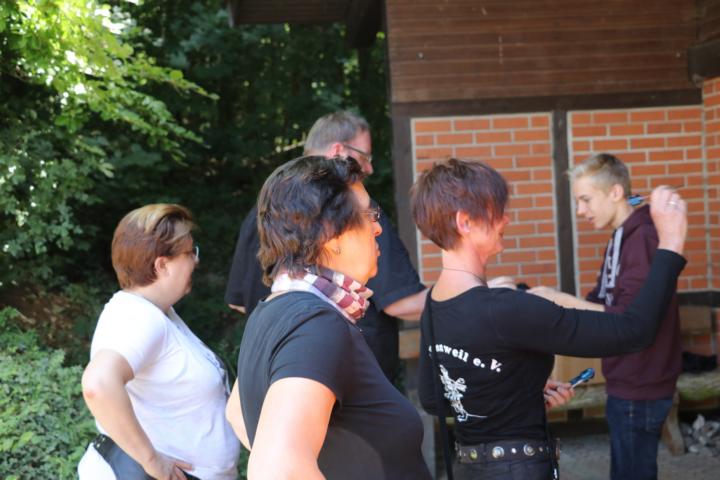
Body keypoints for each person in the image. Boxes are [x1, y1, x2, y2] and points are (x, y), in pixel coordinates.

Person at [410, 158, 687, 480]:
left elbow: (435, 400)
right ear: (465, 222)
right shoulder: (509, 309)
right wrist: (671, 244)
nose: (506, 218)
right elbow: (635, 331)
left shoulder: (434, 304)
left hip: (470, 468)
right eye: (497, 211)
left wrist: (520, 391)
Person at [225, 156, 432, 479]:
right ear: (329, 232)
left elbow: (237, 413)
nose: (378, 227)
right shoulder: (315, 323)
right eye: (368, 215)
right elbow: (277, 470)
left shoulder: (273, 310)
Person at [224, 110, 428, 381]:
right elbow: (400, 302)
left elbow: (238, 302)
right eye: (365, 157)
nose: (369, 168)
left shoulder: (265, 210)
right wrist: (466, 298)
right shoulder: (318, 325)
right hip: (351, 374)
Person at [529, 153, 682, 480]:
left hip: (641, 384)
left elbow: (628, 320)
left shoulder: (642, 238)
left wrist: (560, 300)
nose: (580, 210)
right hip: (624, 380)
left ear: (615, 192)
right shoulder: (620, 237)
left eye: (585, 199)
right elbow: (597, 303)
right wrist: (550, 303)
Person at [78, 204, 240, 480]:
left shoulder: (157, 313)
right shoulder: (140, 317)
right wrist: (152, 460)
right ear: (162, 265)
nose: (196, 261)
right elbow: (98, 384)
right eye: (190, 253)